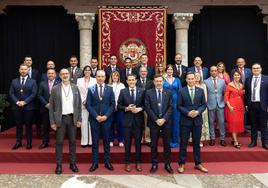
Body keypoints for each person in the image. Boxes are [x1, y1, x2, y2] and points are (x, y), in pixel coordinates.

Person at [49, 68, 82, 174]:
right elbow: (51, 107)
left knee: (72, 142)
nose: (65, 75)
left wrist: (79, 119)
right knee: (59, 143)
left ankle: (73, 163)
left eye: (66, 73)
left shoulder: (75, 87)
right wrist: (52, 122)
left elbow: (79, 105)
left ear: (69, 75)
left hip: (72, 118)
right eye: (62, 73)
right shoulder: (55, 89)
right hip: (60, 119)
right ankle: (59, 165)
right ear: (59, 76)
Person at [177, 72, 208, 173]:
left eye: (192, 79)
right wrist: (188, 113)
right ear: (186, 80)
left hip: (197, 120)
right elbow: (179, 106)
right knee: (183, 143)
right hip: (185, 120)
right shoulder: (181, 91)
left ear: (195, 79)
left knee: (196, 143)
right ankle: (181, 164)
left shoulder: (201, 90)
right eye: (189, 79)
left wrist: (198, 112)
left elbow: (204, 105)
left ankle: (198, 163)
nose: (191, 80)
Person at [86, 70, 115, 172]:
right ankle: (95, 163)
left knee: (107, 141)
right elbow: (88, 105)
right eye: (98, 76)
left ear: (105, 77)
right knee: (95, 142)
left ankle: (107, 162)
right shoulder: (91, 89)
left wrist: (106, 116)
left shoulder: (110, 89)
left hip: (107, 120)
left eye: (102, 76)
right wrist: (96, 116)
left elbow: (112, 105)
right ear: (96, 77)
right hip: (95, 120)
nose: (100, 78)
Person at [145, 74, 173, 174]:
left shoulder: (169, 92)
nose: (158, 83)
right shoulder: (148, 92)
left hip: (166, 122)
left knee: (167, 144)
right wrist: (156, 119)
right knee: (153, 144)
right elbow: (147, 108)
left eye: (160, 81)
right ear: (154, 82)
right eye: (157, 81)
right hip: (154, 122)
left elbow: (171, 107)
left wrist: (164, 119)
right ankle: (154, 163)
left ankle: (167, 164)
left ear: (163, 82)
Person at [117, 74, 145, 172]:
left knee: (138, 143)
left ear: (136, 80)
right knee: (127, 143)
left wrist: (140, 109)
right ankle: (127, 162)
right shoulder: (123, 91)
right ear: (127, 81)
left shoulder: (142, 91)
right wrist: (126, 108)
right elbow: (118, 106)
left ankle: (138, 162)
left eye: (133, 80)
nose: (132, 81)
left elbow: (146, 105)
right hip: (127, 121)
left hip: (138, 121)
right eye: (130, 80)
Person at [9, 64, 38, 150]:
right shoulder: (14, 81)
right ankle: (18, 142)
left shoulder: (33, 81)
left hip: (28, 107)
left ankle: (29, 143)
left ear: (27, 71)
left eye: (25, 69)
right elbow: (11, 93)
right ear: (19, 70)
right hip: (16, 107)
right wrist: (17, 102)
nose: (23, 71)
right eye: (22, 69)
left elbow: (34, 94)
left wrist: (25, 102)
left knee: (29, 126)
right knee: (18, 125)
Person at [245, 63, 268, 150]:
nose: (256, 70)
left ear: (261, 69)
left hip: (263, 105)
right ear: (252, 70)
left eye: (257, 68)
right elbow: (247, 93)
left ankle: (265, 143)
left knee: (263, 125)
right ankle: (253, 142)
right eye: (254, 68)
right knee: (253, 125)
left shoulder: (266, 79)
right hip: (252, 105)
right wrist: (246, 104)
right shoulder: (248, 79)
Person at [38, 68, 60, 149]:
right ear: (47, 75)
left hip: (56, 109)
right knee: (45, 125)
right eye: (49, 73)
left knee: (57, 126)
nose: (50, 75)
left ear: (55, 75)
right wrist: (46, 104)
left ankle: (58, 142)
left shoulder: (59, 83)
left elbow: (61, 96)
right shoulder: (42, 83)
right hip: (45, 108)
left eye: (52, 73)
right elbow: (39, 95)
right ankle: (45, 142)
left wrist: (53, 105)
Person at [204, 66, 226, 146]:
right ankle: (212, 138)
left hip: (220, 104)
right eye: (212, 71)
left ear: (217, 71)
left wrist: (224, 102)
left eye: (215, 71)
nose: (214, 72)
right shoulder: (205, 81)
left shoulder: (222, 81)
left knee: (222, 122)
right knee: (211, 122)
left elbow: (225, 92)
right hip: (210, 104)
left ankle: (222, 139)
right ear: (210, 72)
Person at [77, 66, 96, 147]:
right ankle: (84, 141)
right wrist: (83, 101)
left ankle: (91, 141)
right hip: (82, 104)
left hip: (92, 104)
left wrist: (88, 101)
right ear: (83, 71)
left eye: (89, 70)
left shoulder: (94, 80)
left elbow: (94, 92)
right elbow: (78, 91)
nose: (87, 71)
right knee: (84, 122)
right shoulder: (79, 80)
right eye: (85, 70)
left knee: (91, 122)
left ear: (91, 72)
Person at [224, 70, 244, 149]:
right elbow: (226, 97)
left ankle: (233, 139)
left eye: (238, 75)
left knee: (238, 123)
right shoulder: (229, 85)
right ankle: (235, 141)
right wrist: (229, 106)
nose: (237, 76)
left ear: (240, 76)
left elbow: (241, 95)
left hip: (239, 106)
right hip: (232, 106)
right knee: (233, 123)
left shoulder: (241, 85)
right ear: (232, 76)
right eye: (235, 75)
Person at [163, 64, 182, 148]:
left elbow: (180, 92)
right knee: (167, 122)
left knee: (176, 122)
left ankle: (175, 140)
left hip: (176, 103)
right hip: (166, 103)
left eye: (171, 70)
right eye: (168, 70)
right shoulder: (163, 80)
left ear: (173, 71)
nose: (169, 71)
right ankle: (168, 140)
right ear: (166, 71)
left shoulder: (177, 80)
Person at [136, 66, 154, 145]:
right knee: (138, 123)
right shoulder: (135, 82)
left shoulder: (151, 82)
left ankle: (147, 139)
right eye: (142, 71)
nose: (143, 73)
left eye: (144, 71)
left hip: (148, 106)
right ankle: (139, 138)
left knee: (147, 123)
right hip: (138, 105)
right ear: (139, 73)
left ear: (147, 73)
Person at [108, 71, 125, 147]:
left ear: (118, 77)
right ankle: (111, 140)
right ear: (111, 77)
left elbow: (124, 97)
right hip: (110, 108)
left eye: (116, 76)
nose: (115, 77)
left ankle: (120, 140)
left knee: (120, 124)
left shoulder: (122, 85)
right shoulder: (108, 86)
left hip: (119, 108)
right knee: (110, 124)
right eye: (113, 76)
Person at [193, 72, 210, 147]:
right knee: (193, 125)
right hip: (193, 109)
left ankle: (200, 140)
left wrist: (202, 108)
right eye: (195, 76)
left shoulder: (203, 85)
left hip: (202, 108)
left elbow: (205, 98)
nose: (197, 77)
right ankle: (193, 140)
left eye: (198, 76)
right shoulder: (191, 85)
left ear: (200, 77)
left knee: (201, 125)